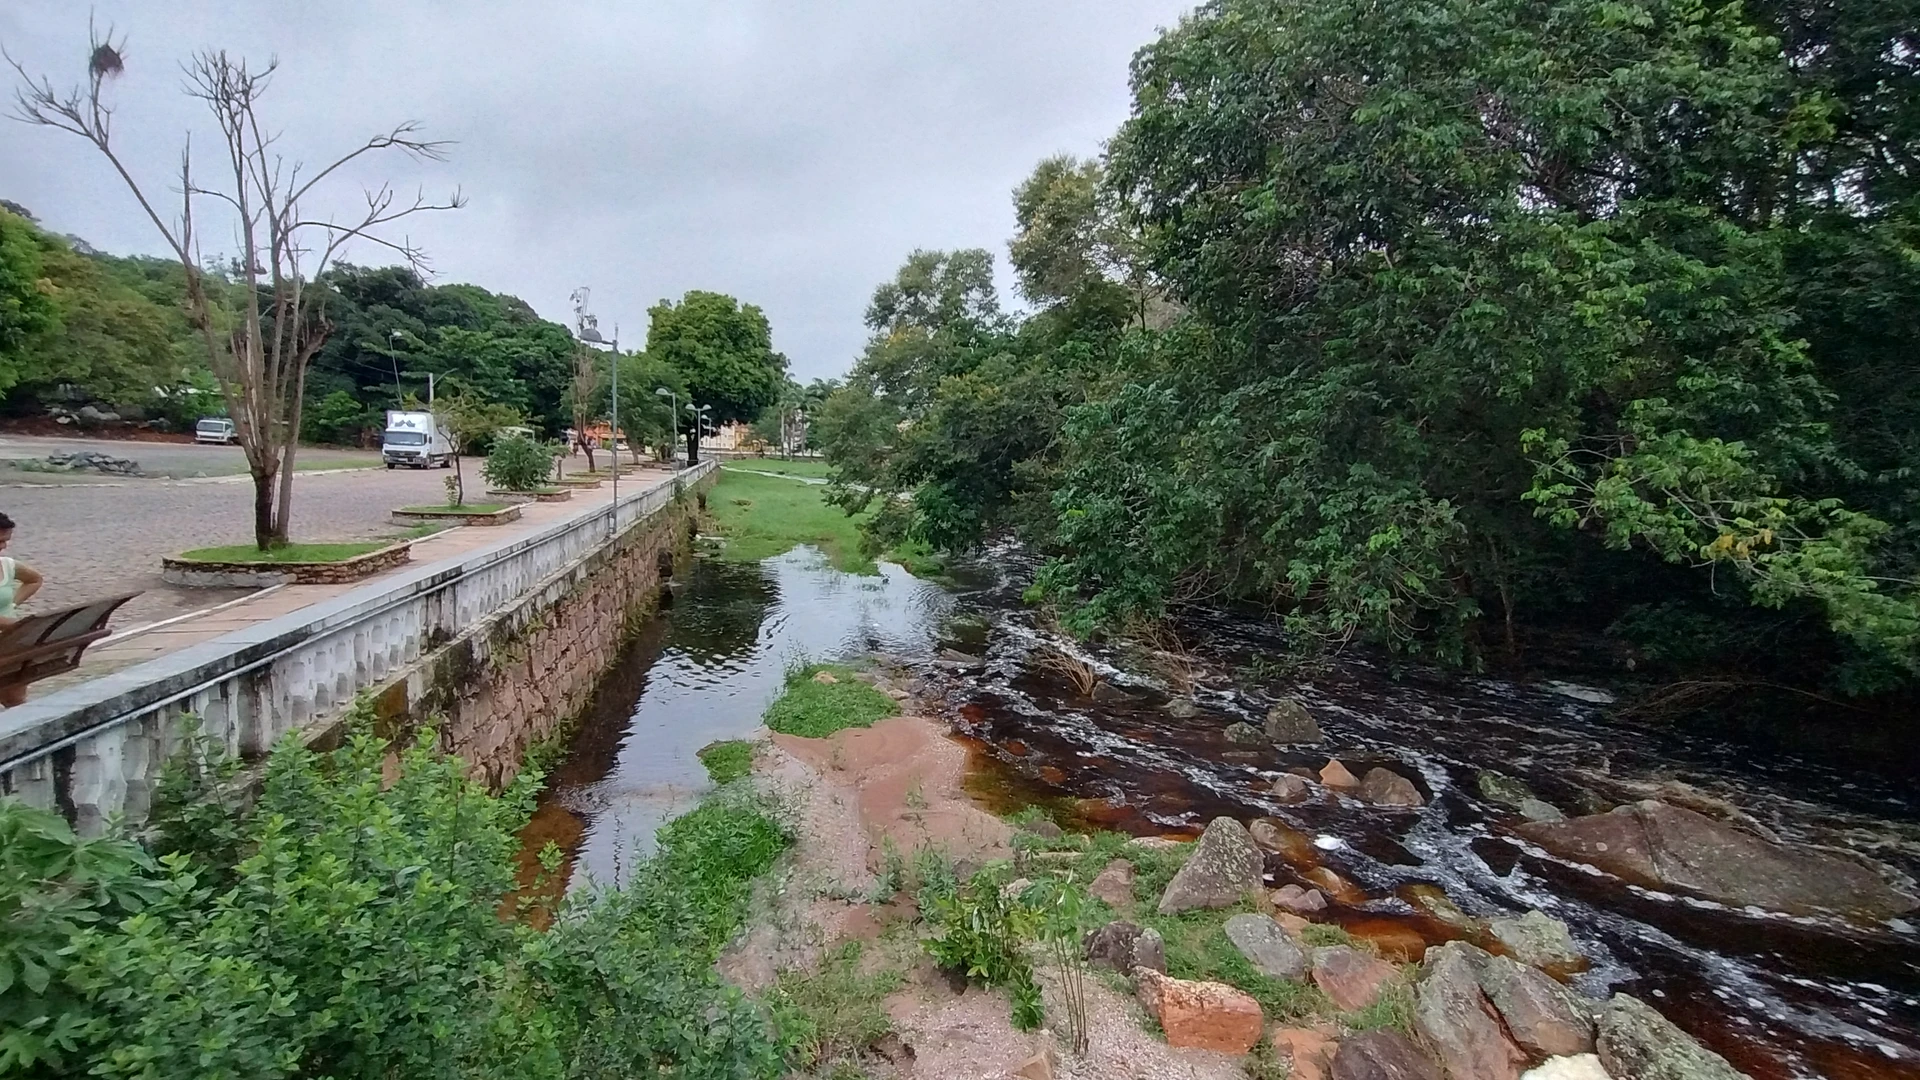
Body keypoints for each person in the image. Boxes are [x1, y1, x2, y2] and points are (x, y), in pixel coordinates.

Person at [0, 512, 45, 706]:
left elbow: (35, 579)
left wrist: (12, 604)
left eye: (6, 541)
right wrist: (17, 625)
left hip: (8, 644)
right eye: (0, 541)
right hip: (11, 635)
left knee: (15, 700)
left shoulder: (7, 566)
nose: (3, 546)